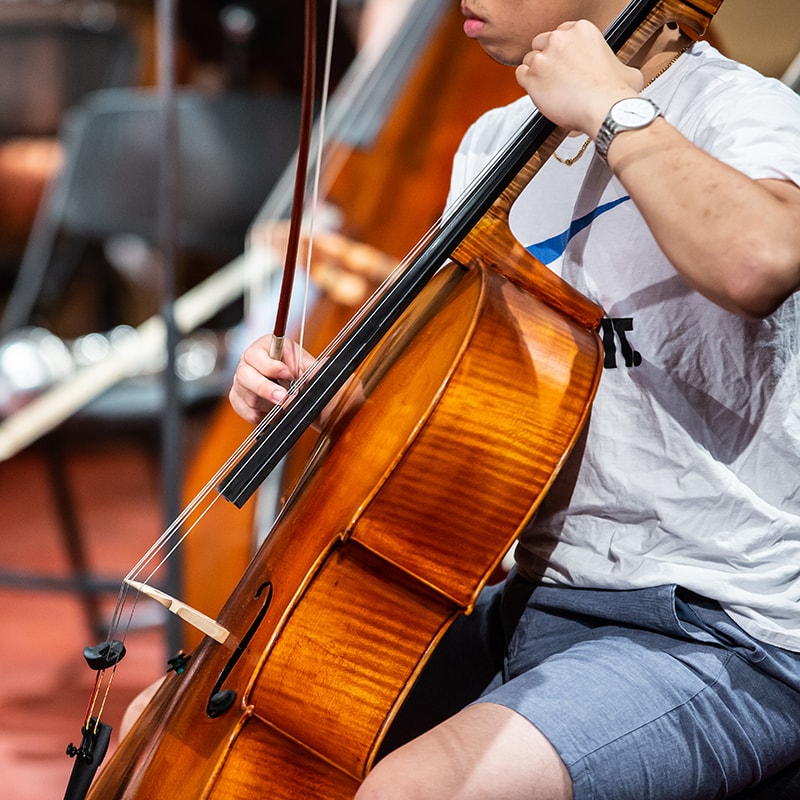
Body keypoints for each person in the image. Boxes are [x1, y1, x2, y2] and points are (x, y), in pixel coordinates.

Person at [229, 1, 800, 798]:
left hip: (717, 627)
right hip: (537, 598)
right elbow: (468, 410)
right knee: (240, 741)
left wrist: (613, 110)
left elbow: (758, 262)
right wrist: (327, 395)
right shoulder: (497, 143)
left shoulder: (742, 112)